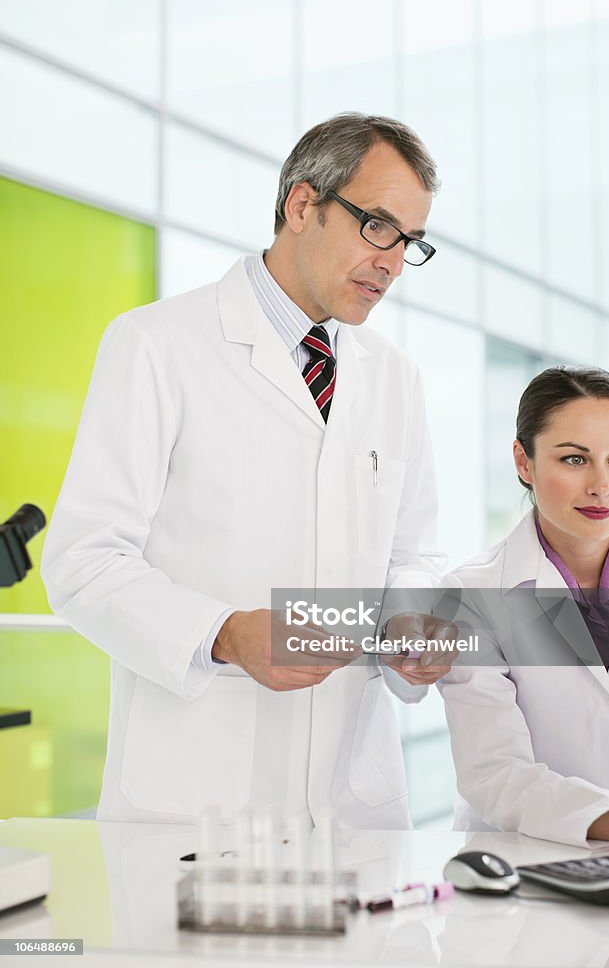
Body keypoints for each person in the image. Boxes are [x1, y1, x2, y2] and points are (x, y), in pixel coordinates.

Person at [42, 112, 451, 828]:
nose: (391, 260)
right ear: (302, 206)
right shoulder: (155, 346)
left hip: (350, 802)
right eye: (377, 226)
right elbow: (82, 563)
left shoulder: (395, 378)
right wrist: (223, 631)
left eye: (410, 241)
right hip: (195, 800)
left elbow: (412, 552)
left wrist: (413, 619)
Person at [438, 366, 609, 846]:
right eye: (575, 460)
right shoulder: (471, 596)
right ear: (524, 461)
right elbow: (496, 774)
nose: (602, 485)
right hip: (526, 869)